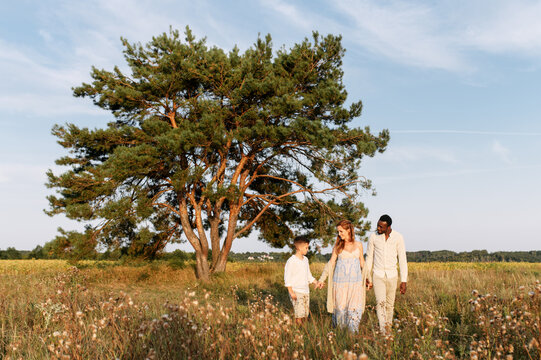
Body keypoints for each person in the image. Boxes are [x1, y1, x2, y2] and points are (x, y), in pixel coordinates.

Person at [317, 219, 366, 332]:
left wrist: (368, 279)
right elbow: (331, 263)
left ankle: (352, 336)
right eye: (338, 232)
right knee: (340, 309)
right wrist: (322, 279)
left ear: (349, 230)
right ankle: (340, 335)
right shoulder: (337, 246)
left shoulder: (359, 245)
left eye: (341, 231)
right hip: (340, 285)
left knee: (353, 309)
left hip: (355, 284)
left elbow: (363, 263)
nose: (339, 234)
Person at [365, 214, 408, 334]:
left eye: (381, 227)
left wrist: (403, 280)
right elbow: (369, 258)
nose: (378, 228)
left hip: (392, 276)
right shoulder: (373, 237)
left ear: (388, 227)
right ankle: (384, 331)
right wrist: (367, 277)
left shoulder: (398, 237)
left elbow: (402, 259)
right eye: (377, 225)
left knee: (390, 305)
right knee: (380, 304)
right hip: (378, 275)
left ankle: (388, 329)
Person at [284, 236, 320, 325]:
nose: (307, 249)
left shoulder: (305, 260)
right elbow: (287, 277)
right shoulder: (291, 261)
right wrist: (291, 291)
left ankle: (303, 330)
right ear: (299, 248)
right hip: (296, 291)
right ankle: (299, 331)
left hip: (305, 291)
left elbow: (308, 275)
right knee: (298, 314)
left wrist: (316, 282)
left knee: (304, 314)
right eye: (306, 247)